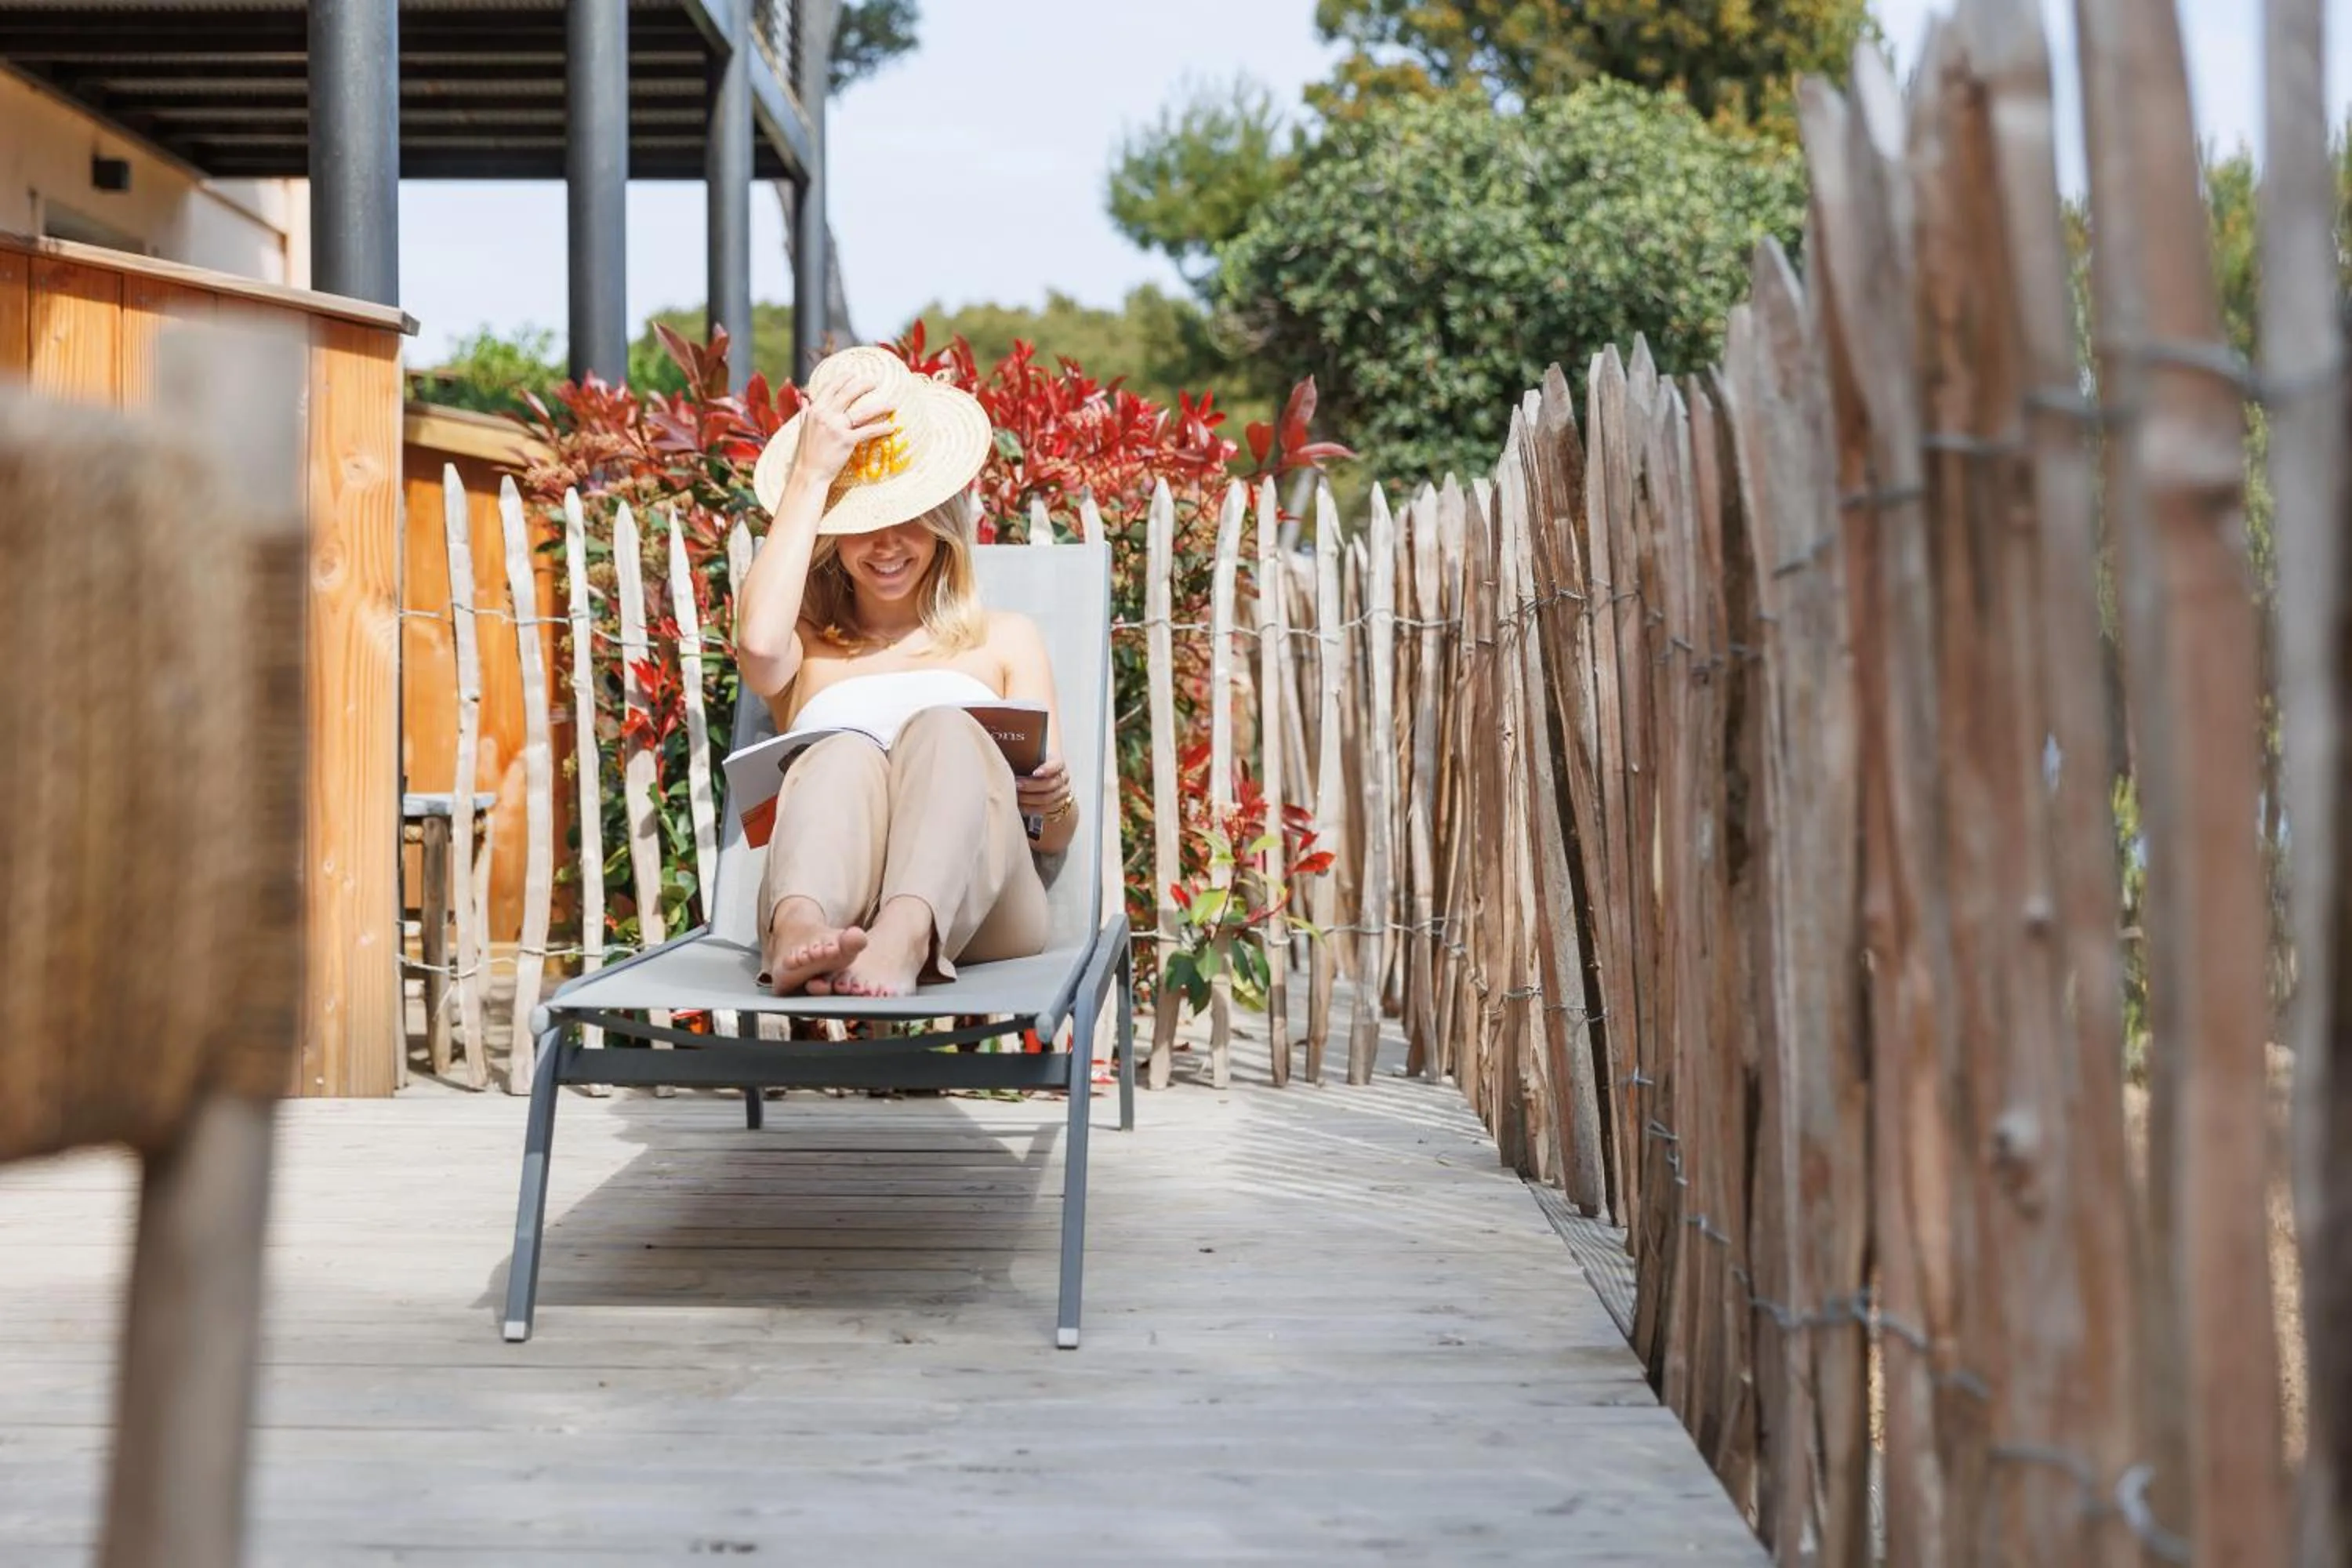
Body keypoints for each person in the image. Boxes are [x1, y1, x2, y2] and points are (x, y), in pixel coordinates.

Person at [734, 346, 1078, 998]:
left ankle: (907, 935)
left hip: (984, 905)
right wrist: (810, 476)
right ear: (832, 532)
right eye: (863, 523)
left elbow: (1051, 835)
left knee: (947, 729)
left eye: (910, 519)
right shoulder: (803, 645)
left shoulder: (1005, 639)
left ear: (943, 522)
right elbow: (756, 644)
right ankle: (797, 931)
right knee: (841, 753)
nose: (887, 544)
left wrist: (1052, 801)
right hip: (836, 901)